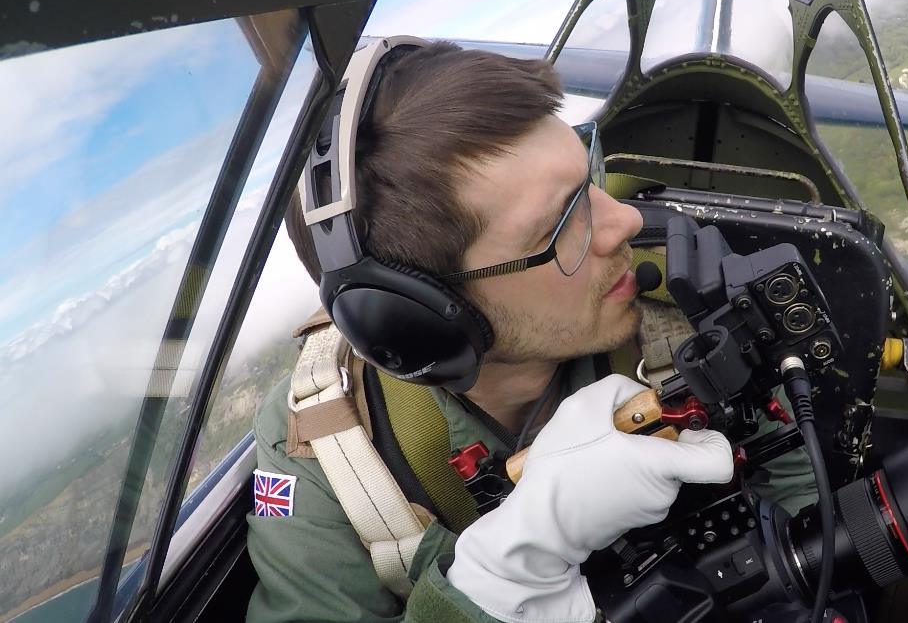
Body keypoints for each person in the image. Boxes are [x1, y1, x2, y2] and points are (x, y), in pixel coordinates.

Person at [245, 40, 813, 623]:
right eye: (561, 225)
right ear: (422, 319)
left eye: (587, 176)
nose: (626, 221)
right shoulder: (331, 441)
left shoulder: (689, 304)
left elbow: (814, 510)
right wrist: (500, 580)